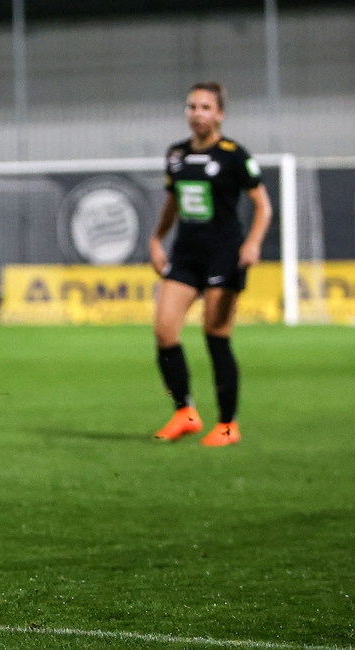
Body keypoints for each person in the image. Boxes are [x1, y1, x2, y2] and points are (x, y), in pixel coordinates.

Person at [149, 82, 271, 446]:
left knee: (216, 336)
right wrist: (157, 238)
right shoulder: (176, 155)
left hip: (225, 254)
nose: (197, 113)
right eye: (192, 106)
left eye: (205, 107)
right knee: (164, 331)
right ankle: (184, 411)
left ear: (219, 114)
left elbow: (263, 206)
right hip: (186, 254)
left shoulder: (234, 155)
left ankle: (228, 425)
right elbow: (173, 203)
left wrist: (251, 244)